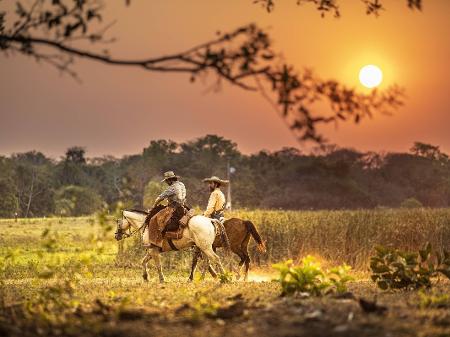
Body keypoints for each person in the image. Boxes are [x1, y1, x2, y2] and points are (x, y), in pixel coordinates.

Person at [149, 171, 187, 238]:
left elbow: (159, 198)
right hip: (183, 207)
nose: (166, 183)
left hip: (175, 210)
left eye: (166, 181)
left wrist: (153, 206)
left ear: (170, 180)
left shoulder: (171, 188)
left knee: (160, 224)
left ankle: (161, 242)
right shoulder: (182, 184)